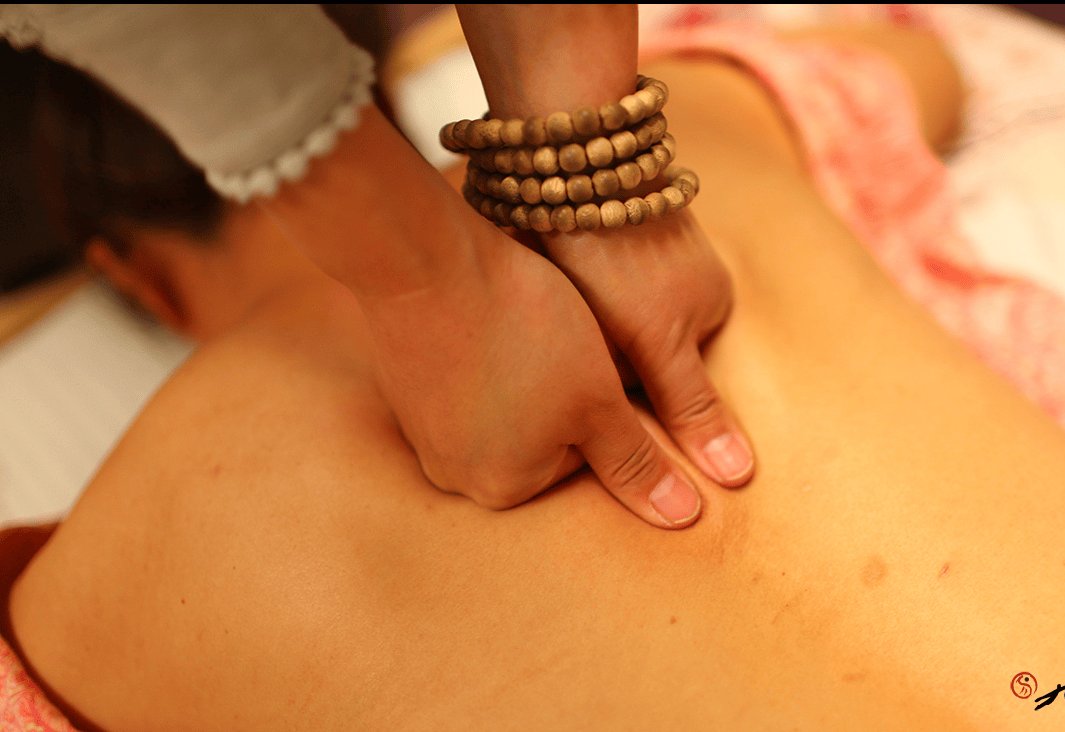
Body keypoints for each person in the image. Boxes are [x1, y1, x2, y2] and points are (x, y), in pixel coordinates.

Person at [3, 17, 1065, 732]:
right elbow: (919, 61)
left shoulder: (89, 598)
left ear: (129, 274)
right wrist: (592, 147)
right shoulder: (717, 129)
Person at [0, 4, 757, 529]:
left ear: (134, 278)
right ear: (388, 98)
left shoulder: (141, 524)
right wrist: (597, 158)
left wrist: (431, 279)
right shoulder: (728, 97)